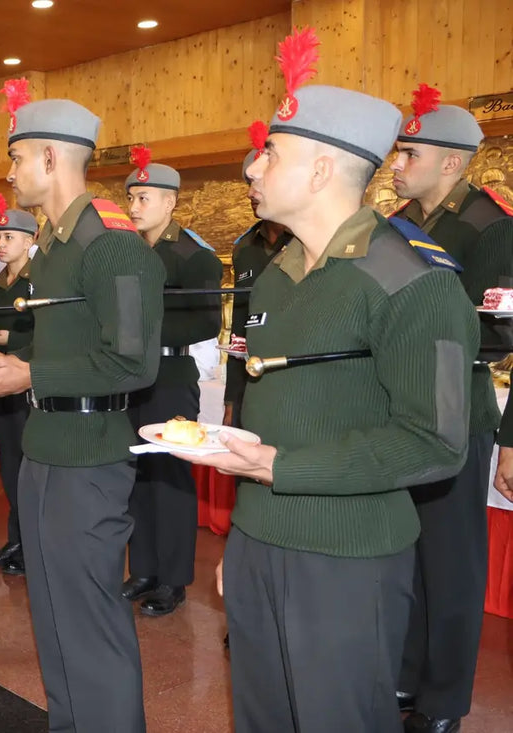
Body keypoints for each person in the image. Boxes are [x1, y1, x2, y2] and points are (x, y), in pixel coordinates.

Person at [174, 30, 479, 733]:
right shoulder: (277, 275)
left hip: (348, 558)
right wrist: (243, 543)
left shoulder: (414, 282)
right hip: (262, 543)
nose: (253, 166)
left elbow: (434, 443)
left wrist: (279, 467)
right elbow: (270, 419)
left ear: (319, 170)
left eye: (271, 153)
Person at [0, 82, 165, 731]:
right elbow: (60, 341)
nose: (10, 173)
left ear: (51, 157)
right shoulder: (53, 245)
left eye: (17, 157)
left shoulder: (112, 243)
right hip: (47, 445)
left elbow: (133, 362)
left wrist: (30, 373)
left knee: (90, 619)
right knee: (53, 614)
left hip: (89, 452)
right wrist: (10, 361)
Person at [389, 84, 513, 733]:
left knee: (450, 561)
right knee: (406, 552)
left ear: (453, 163)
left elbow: (502, 333)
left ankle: (443, 700)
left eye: (411, 153)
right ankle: (407, 674)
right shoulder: (400, 222)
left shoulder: (491, 227)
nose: (397, 163)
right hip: (400, 405)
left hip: (456, 404)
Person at [123, 148, 223, 616]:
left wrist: (141, 332)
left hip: (169, 375)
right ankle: (143, 570)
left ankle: (172, 579)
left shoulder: (192, 255)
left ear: (170, 202)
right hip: (131, 377)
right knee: (136, 478)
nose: (134, 206)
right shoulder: (128, 252)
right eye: (131, 198)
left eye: (144, 198)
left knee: (169, 479)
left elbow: (206, 321)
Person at [0, 194, 36, 577]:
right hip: (0, 381)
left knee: (28, 468)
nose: (1, 244)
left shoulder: (39, 281)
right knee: (11, 468)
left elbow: (51, 334)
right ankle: (17, 539)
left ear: (29, 240)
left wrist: (9, 340)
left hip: (28, 383)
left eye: (9, 237)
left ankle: (31, 543)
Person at [224, 130, 292, 430]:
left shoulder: (308, 241)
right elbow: (239, 329)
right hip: (250, 384)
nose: (250, 193)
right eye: (248, 184)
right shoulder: (245, 248)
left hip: (293, 382)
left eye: (259, 183)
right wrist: (231, 401)